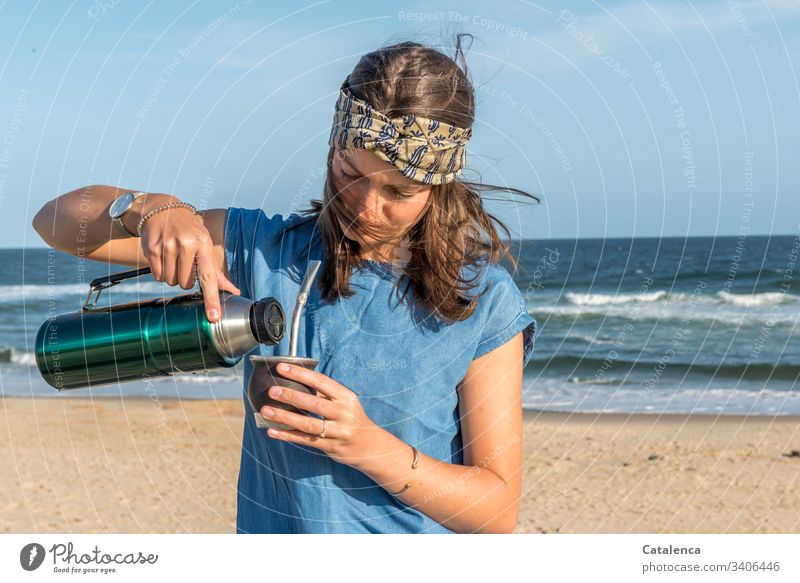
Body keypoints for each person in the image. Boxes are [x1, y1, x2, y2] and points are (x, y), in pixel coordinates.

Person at [32, 34, 539, 533]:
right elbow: (54, 223)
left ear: (436, 186)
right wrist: (151, 208)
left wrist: (366, 445)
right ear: (332, 149)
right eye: (349, 174)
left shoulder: (483, 301)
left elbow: (496, 510)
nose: (364, 207)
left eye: (397, 192)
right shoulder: (264, 249)